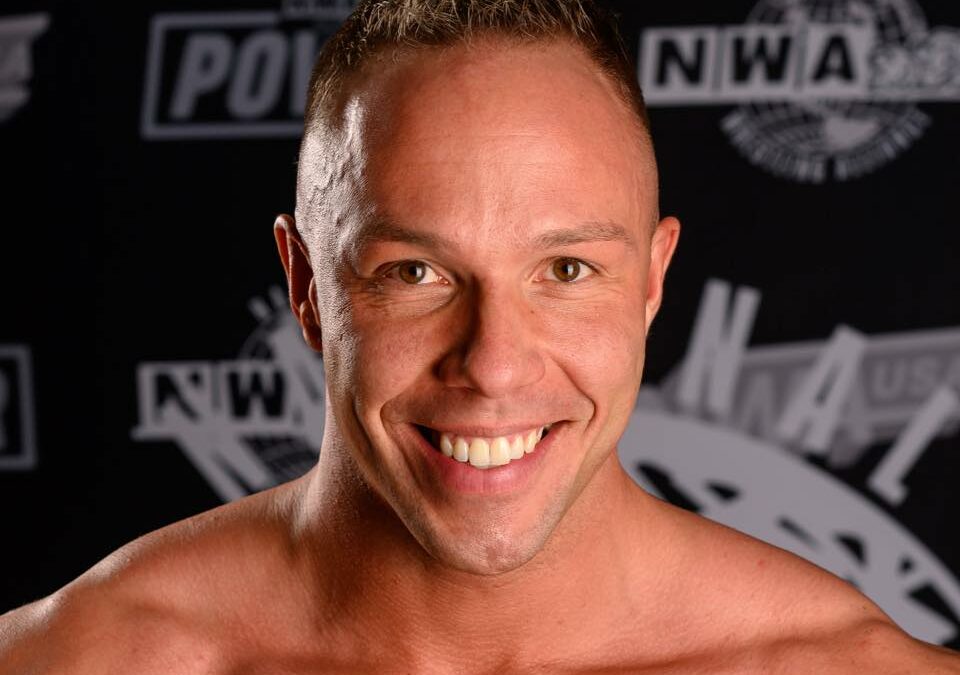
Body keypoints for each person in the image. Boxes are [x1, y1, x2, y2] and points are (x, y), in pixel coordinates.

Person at [3, 1, 959, 672]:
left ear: (652, 281)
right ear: (306, 285)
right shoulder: (85, 659)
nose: (494, 364)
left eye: (566, 270)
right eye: (414, 273)